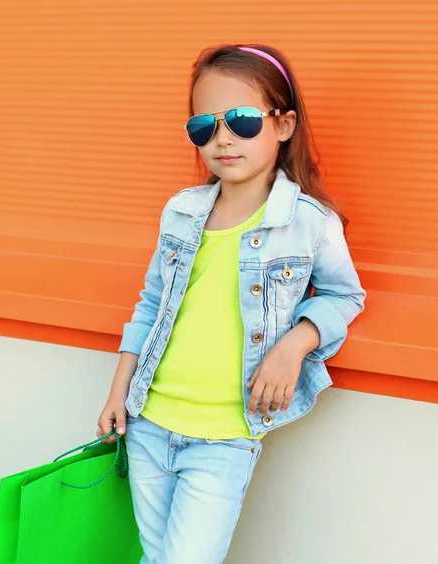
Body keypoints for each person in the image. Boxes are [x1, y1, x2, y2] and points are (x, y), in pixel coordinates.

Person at [97, 43, 366, 564]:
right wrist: (118, 392)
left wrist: (295, 344)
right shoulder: (180, 212)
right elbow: (151, 304)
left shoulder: (309, 222)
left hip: (224, 437)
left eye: (241, 121)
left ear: (283, 125)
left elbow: (344, 295)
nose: (222, 139)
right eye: (204, 126)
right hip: (149, 421)